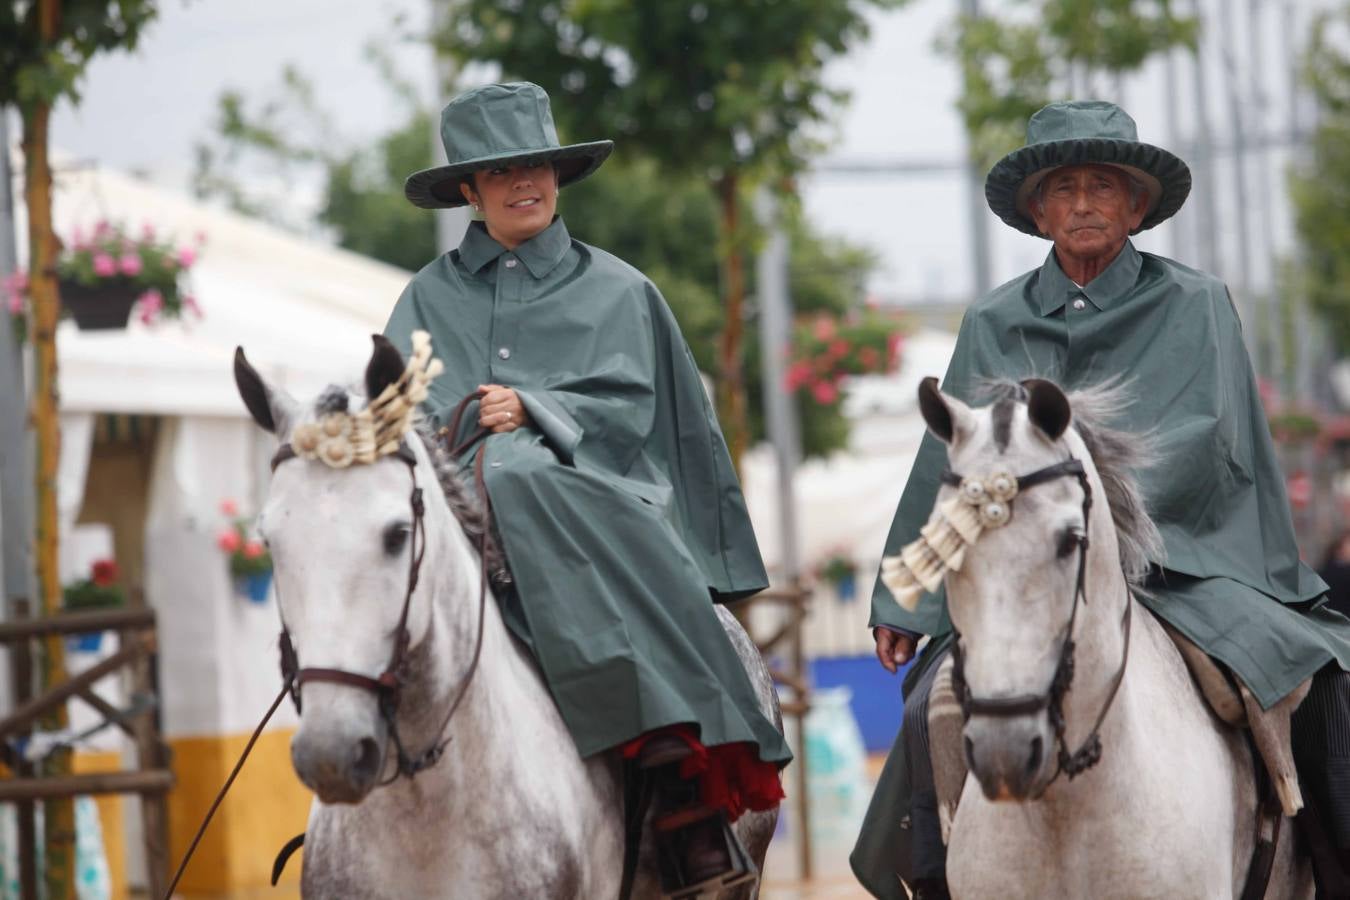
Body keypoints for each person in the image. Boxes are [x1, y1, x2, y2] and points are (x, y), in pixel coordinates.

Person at [850, 100, 1350, 899]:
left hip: (1185, 563)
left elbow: (1206, 441)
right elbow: (948, 459)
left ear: (1137, 205)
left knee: (1319, 681)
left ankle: (1331, 862)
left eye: (1103, 186)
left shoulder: (1198, 304)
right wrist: (903, 597)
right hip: (1023, 571)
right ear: (1038, 210)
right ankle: (936, 879)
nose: (1083, 202)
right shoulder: (992, 319)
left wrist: (1089, 515)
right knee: (924, 713)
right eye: (1065, 187)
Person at [384, 81, 790, 889]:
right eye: (500, 173)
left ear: (558, 175)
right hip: (462, 499)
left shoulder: (622, 291)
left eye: (535, 164)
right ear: (469, 190)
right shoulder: (426, 296)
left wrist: (534, 408)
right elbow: (403, 412)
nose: (524, 183)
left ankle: (682, 786)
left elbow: (642, 410)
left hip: (602, 490)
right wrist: (475, 423)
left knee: (528, 471)